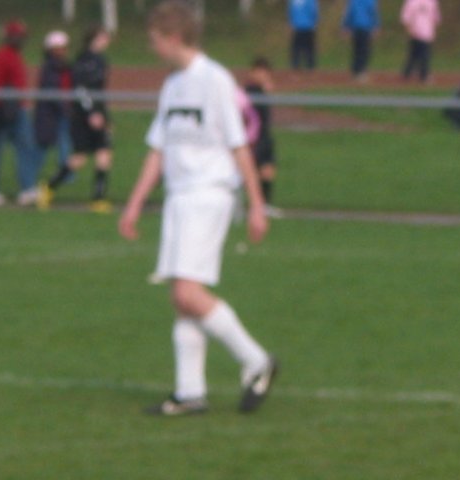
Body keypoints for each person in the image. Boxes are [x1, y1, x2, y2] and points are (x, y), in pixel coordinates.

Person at [119, 0, 278, 416]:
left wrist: (257, 205)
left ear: (174, 38)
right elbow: (158, 149)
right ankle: (189, 392)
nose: (152, 48)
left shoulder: (215, 80)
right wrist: (134, 205)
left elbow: (239, 145)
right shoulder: (172, 85)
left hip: (208, 194)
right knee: (181, 296)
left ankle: (255, 360)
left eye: (155, 40)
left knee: (187, 292)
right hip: (179, 198)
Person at [38, 26, 114, 213]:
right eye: (103, 37)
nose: (107, 41)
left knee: (104, 153)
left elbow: (99, 91)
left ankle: (98, 198)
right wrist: (91, 113)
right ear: (93, 39)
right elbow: (80, 89)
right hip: (84, 116)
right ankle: (49, 186)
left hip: (98, 113)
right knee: (79, 157)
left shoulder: (101, 60)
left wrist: (105, 116)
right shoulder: (83, 61)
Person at [0, 20, 38, 207]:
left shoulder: (15, 55)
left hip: (17, 110)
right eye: (18, 36)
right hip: (2, 112)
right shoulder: (2, 55)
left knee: (25, 147)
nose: (21, 40)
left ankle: (28, 189)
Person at [32, 31, 74, 185]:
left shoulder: (64, 66)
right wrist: (65, 108)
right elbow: (52, 91)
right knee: (42, 147)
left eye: (64, 47)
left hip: (61, 112)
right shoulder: (50, 67)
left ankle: (66, 176)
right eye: (59, 48)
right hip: (50, 114)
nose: (63, 51)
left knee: (65, 145)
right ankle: (31, 176)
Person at [244, 57, 282, 218]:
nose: (262, 75)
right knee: (253, 172)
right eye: (259, 72)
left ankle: (264, 205)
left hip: (265, 136)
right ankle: (254, 205)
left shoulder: (263, 91)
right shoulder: (249, 91)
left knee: (268, 171)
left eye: (265, 73)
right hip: (254, 138)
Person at [400, 0, 441, 83]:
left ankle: (407, 73)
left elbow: (405, 17)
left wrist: (408, 28)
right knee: (422, 54)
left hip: (419, 31)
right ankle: (423, 75)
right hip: (422, 32)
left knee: (415, 54)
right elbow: (436, 18)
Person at [342, 0, 380, 82]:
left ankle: (356, 70)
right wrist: (376, 26)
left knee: (357, 50)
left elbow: (349, 13)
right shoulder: (370, 1)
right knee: (364, 51)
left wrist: (345, 26)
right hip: (366, 28)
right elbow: (373, 13)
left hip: (356, 28)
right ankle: (361, 71)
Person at [288, 0, 319, 71]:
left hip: (297, 27)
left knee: (296, 49)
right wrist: (315, 23)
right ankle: (310, 68)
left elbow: (290, 12)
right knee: (309, 49)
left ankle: (295, 68)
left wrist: (291, 24)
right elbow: (314, 11)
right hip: (309, 27)